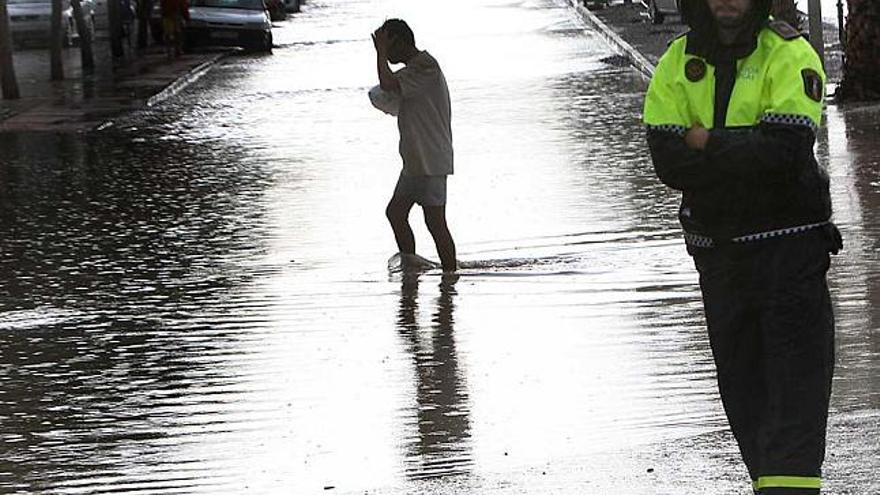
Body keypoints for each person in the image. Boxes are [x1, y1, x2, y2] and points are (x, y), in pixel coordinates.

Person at [643, 0, 842, 493]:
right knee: (745, 397)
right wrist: (742, 150)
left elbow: (784, 153)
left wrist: (706, 141)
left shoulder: (789, 54)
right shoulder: (675, 62)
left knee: (795, 400)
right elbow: (668, 162)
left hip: (789, 255)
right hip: (720, 261)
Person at [371, 19, 457, 273]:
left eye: (388, 45)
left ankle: (450, 277)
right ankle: (411, 268)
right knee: (395, 213)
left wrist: (380, 54)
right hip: (414, 161)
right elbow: (387, 91)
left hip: (430, 160)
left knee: (435, 223)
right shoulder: (413, 71)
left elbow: (388, 84)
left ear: (399, 41)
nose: (386, 52)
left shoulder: (425, 66)